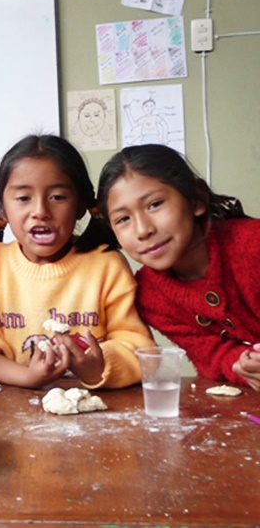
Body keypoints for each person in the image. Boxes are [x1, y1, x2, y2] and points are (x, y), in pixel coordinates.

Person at [0, 135, 155, 389]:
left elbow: (138, 346)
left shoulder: (106, 266)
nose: (41, 210)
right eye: (23, 198)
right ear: (3, 209)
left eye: (58, 197)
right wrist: (27, 377)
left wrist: (96, 367)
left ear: (82, 205)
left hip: (94, 409)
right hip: (6, 409)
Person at [98, 144, 260, 391]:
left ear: (196, 199)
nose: (143, 230)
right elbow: (211, 354)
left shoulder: (253, 246)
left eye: (154, 204)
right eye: (123, 219)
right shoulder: (151, 297)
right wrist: (241, 365)